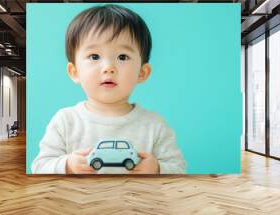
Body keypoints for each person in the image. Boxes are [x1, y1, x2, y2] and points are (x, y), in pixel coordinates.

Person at [32, 4, 186, 174]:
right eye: (94, 56)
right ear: (74, 72)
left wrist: (158, 168)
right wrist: (66, 165)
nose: (108, 67)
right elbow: (39, 167)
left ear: (142, 73)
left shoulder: (155, 125)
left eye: (122, 56)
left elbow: (179, 168)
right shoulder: (65, 122)